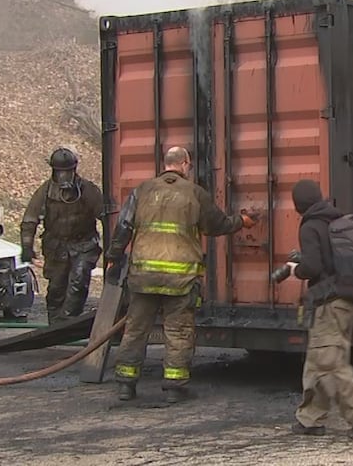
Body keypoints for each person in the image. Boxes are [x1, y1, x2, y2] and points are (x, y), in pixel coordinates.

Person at [105, 146, 256, 403]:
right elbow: (217, 225)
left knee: (135, 330)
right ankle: (174, 388)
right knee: (178, 332)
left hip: (143, 277)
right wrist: (242, 221)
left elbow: (123, 227)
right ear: (185, 164)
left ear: (166, 164)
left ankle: (126, 385)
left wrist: (113, 258)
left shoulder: (141, 191)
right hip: (180, 280)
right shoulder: (194, 194)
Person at [285, 179, 353, 439]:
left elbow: (314, 268)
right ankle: (309, 419)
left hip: (330, 303)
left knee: (329, 361)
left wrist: (298, 269)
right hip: (343, 300)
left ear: (298, 205)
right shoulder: (333, 219)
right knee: (318, 361)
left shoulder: (310, 225)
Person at [20, 147, 105, 324]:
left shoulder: (88, 190)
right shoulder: (44, 192)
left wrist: (113, 247)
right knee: (56, 289)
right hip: (56, 247)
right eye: (60, 172)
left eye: (67, 172)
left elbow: (106, 217)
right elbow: (29, 220)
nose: (64, 177)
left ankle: (69, 321)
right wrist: (27, 247)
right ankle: (56, 324)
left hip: (84, 245)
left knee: (78, 283)